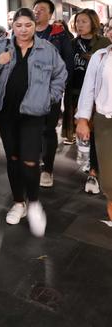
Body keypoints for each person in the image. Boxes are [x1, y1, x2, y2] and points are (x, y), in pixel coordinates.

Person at [0, 8, 66, 237]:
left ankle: (34, 203)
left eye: (28, 25)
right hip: (7, 113)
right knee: (14, 159)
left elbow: (60, 75)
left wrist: (50, 97)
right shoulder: (2, 46)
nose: (23, 30)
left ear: (35, 26)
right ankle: (18, 202)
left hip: (33, 113)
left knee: (29, 161)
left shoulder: (47, 49)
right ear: (13, 26)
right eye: (19, 25)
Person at [63, 10, 110, 195]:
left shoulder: (103, 44)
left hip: (97, 98)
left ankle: (93, 172)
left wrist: (95, 61)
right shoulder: (72, 43)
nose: (79, 25)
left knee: (96, 134)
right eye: (77, 22)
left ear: (93, 22)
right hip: (75, 94)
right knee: (83, 134)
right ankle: (89, 164)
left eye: (83, 21)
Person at [33, 0, 73, 188]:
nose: (37, 12)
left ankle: (47, 170)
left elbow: (68, 63)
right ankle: (34, 162)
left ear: (50, 14)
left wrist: (59, 86)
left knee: (47, 130)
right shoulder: (25, 32)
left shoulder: (58, 35)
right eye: (35, 9)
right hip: (28, 90)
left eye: (42, 9)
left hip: (50, 90)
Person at [75, 41, 112, 223]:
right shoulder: (100, 56)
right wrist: (83, 119)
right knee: (108, 181)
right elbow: (88, 89)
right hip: (105, 121)